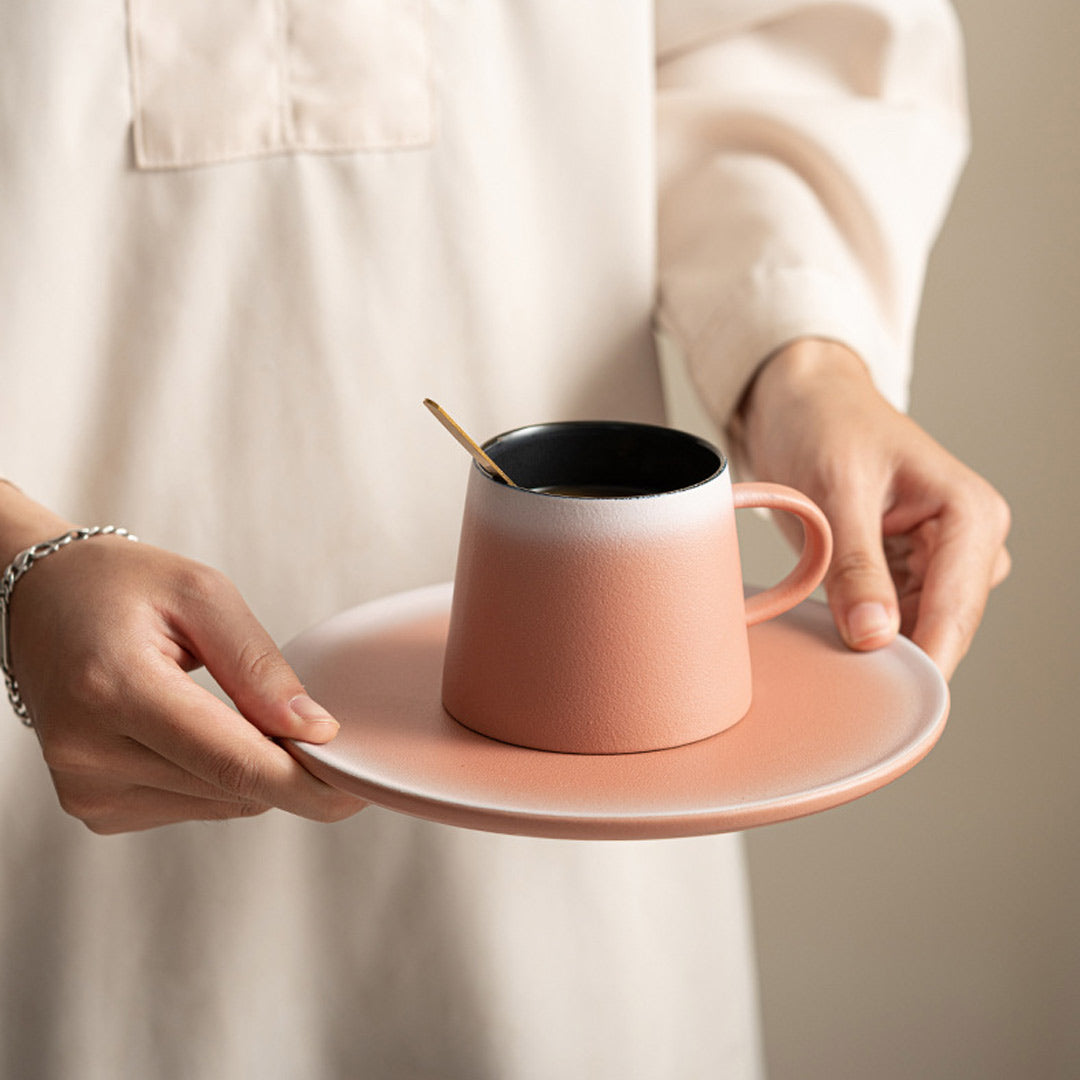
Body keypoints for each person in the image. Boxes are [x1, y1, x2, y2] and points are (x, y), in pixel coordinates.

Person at [0, 1, 1009, 1077]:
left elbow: (766, 41)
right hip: (49, 788)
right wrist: (13, 563)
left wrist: (804, 361)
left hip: (591, 828)